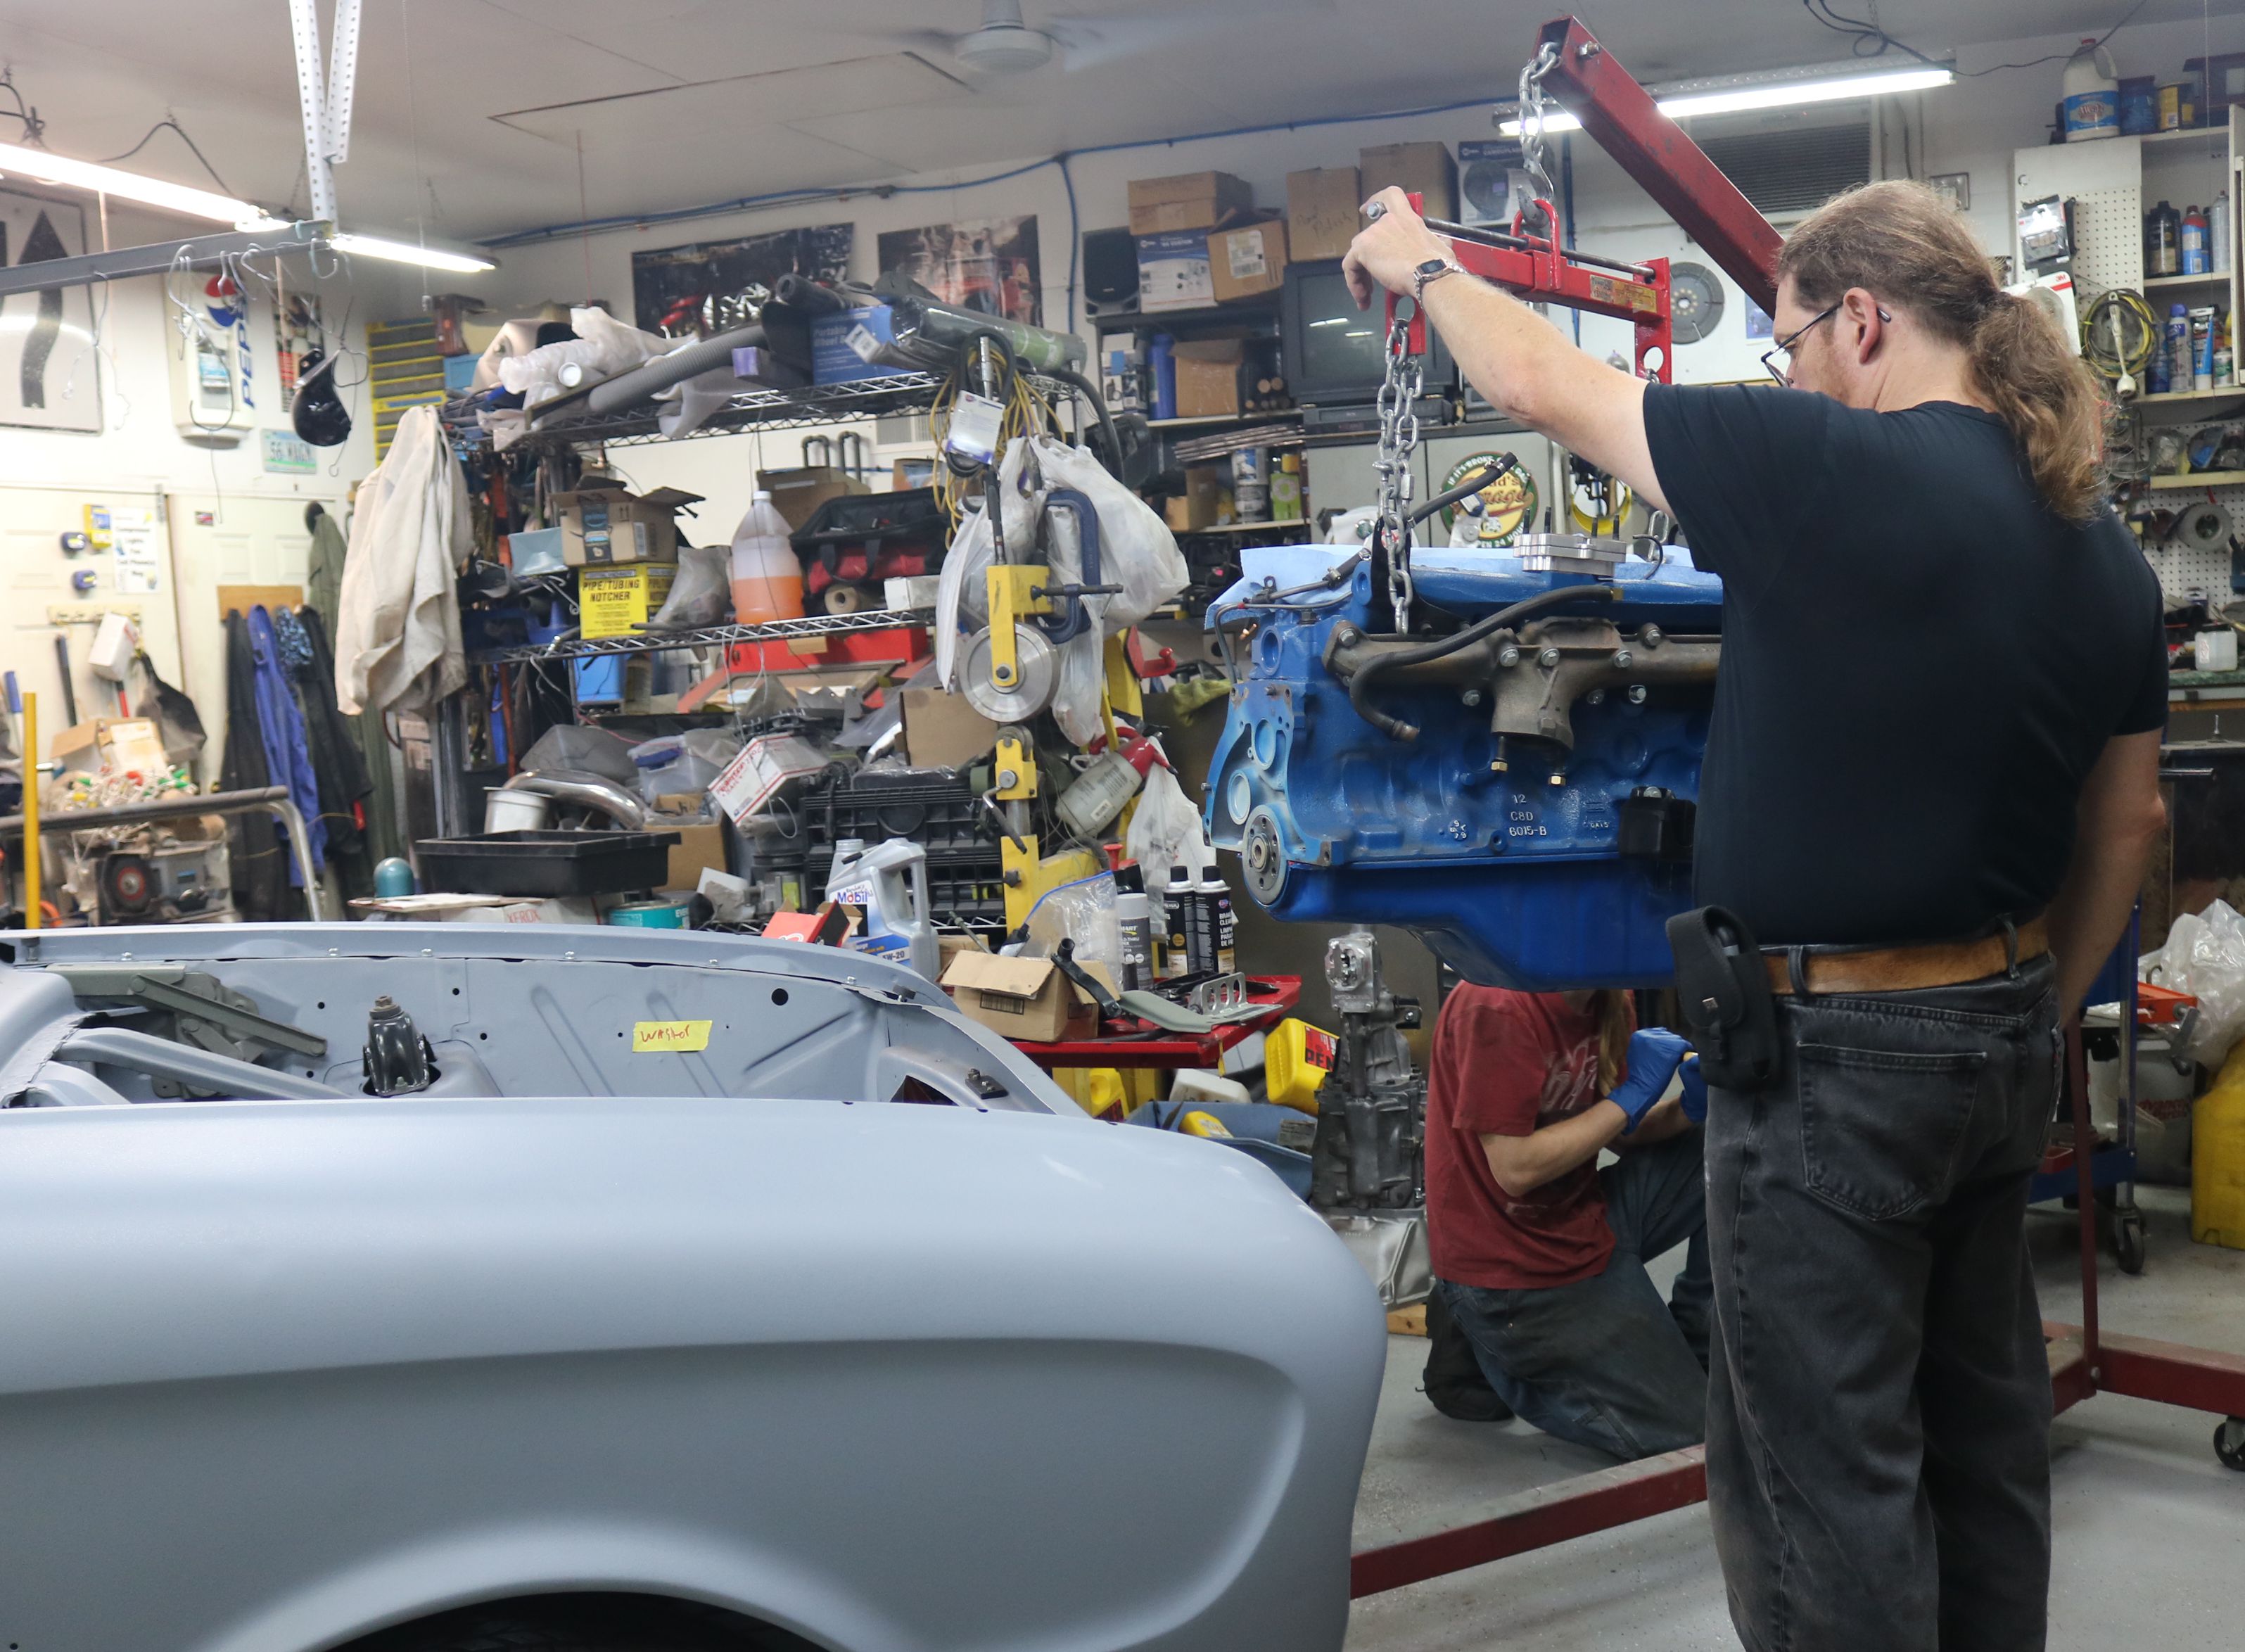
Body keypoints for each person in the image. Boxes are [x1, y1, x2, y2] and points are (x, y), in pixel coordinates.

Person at [1344, 179, 2167, 1652]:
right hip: (1995, 1040)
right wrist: (2032, 1004)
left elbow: (1535, 380)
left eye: (1786, 346)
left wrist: (1421, 263)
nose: (1783, 377)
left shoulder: (1820, 465)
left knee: (1821, 1482)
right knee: (1981, 1452)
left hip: (1833, 1056)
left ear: (1860, 320)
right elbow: (2130, 826)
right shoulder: (2097, 548)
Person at [1422, 983, 1708, 1459]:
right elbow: (1516, 1169)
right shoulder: (1497, 1002)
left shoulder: (1608, 993)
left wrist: (1687, 1109)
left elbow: (1616, 1131)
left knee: (1729, 1148)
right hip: (1514, 1260)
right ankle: (1494, 1345)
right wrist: (1629, 1096)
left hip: (1580, 1215)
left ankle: (1698, 1346)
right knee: (1697, 1440)